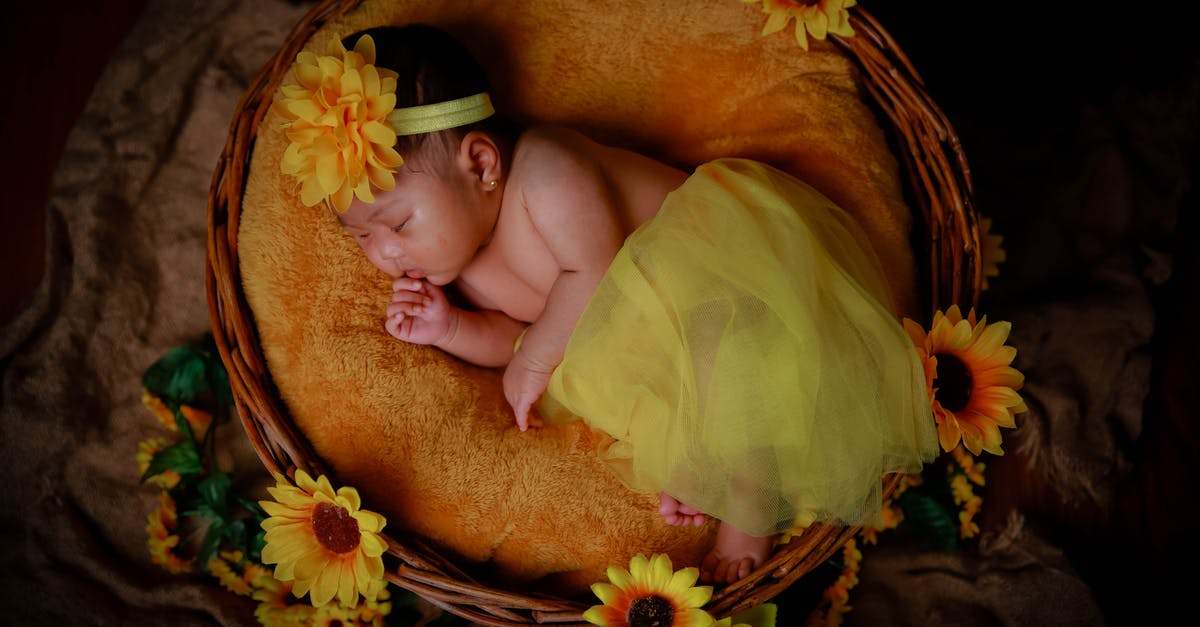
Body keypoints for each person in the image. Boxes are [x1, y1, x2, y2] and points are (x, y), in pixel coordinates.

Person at [276, 23, 939, 584]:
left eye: (395, 224)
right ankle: (705, 458)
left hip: (719, 281)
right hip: (642, 336)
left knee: (727, 352)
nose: (383, 252)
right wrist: (451, 327)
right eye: (361, 236)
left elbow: (588, 276)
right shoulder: (463, 266)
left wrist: (532, 358)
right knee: (624, 389)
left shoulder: (547, 169)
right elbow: (517, 339)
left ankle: (745, 507)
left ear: (480, 164)